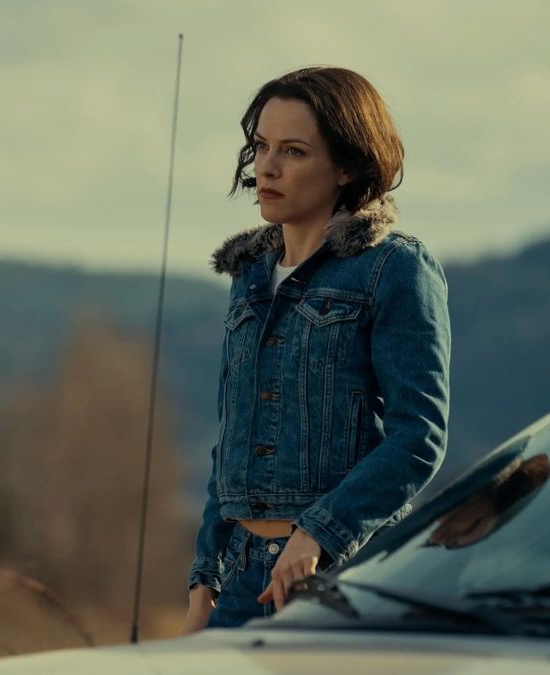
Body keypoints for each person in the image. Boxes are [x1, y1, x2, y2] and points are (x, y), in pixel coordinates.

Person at [181, 66, 452, 633]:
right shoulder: (249, 275)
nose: (268, 168)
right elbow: (232, 436)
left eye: (295, 151)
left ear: (347, 166)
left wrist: (317, 534)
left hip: (339, 576)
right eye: (261, 147)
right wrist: (205, 576)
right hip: (239, 581)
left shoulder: (394, 268)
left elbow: (418, 437)